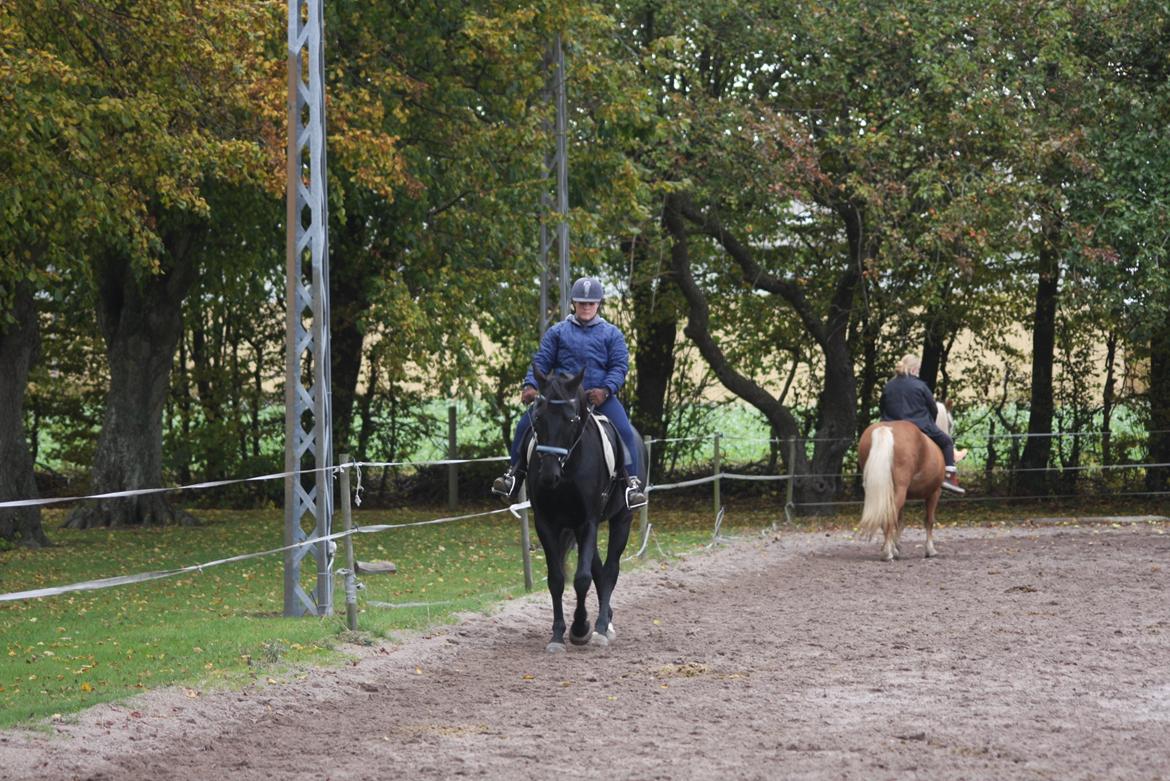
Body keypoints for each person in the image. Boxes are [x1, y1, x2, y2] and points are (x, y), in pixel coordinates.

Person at [492, 276, 648, 509]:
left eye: (591, 303)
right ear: (573, 303)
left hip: (598, 397)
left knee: (624, 430)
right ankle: (513, 476)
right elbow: (541, 361)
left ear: (598, 304)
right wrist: (530, 385)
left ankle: (631, 484)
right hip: (561, 399)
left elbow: (619, 367)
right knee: (525, 424)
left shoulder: (612, 334)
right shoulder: (557, 332)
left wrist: (606, 390)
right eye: (581, 303)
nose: (586, 307)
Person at [879, 354, 965, 494]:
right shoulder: (920, 385)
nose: (918, 372)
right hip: (919, 425)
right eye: (918, 369)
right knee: (947, 441)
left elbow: (882, 407)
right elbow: (933, 409)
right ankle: (949, 477)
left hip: (890, 425)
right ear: (914, 370)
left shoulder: (889, 385)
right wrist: (930, 422)